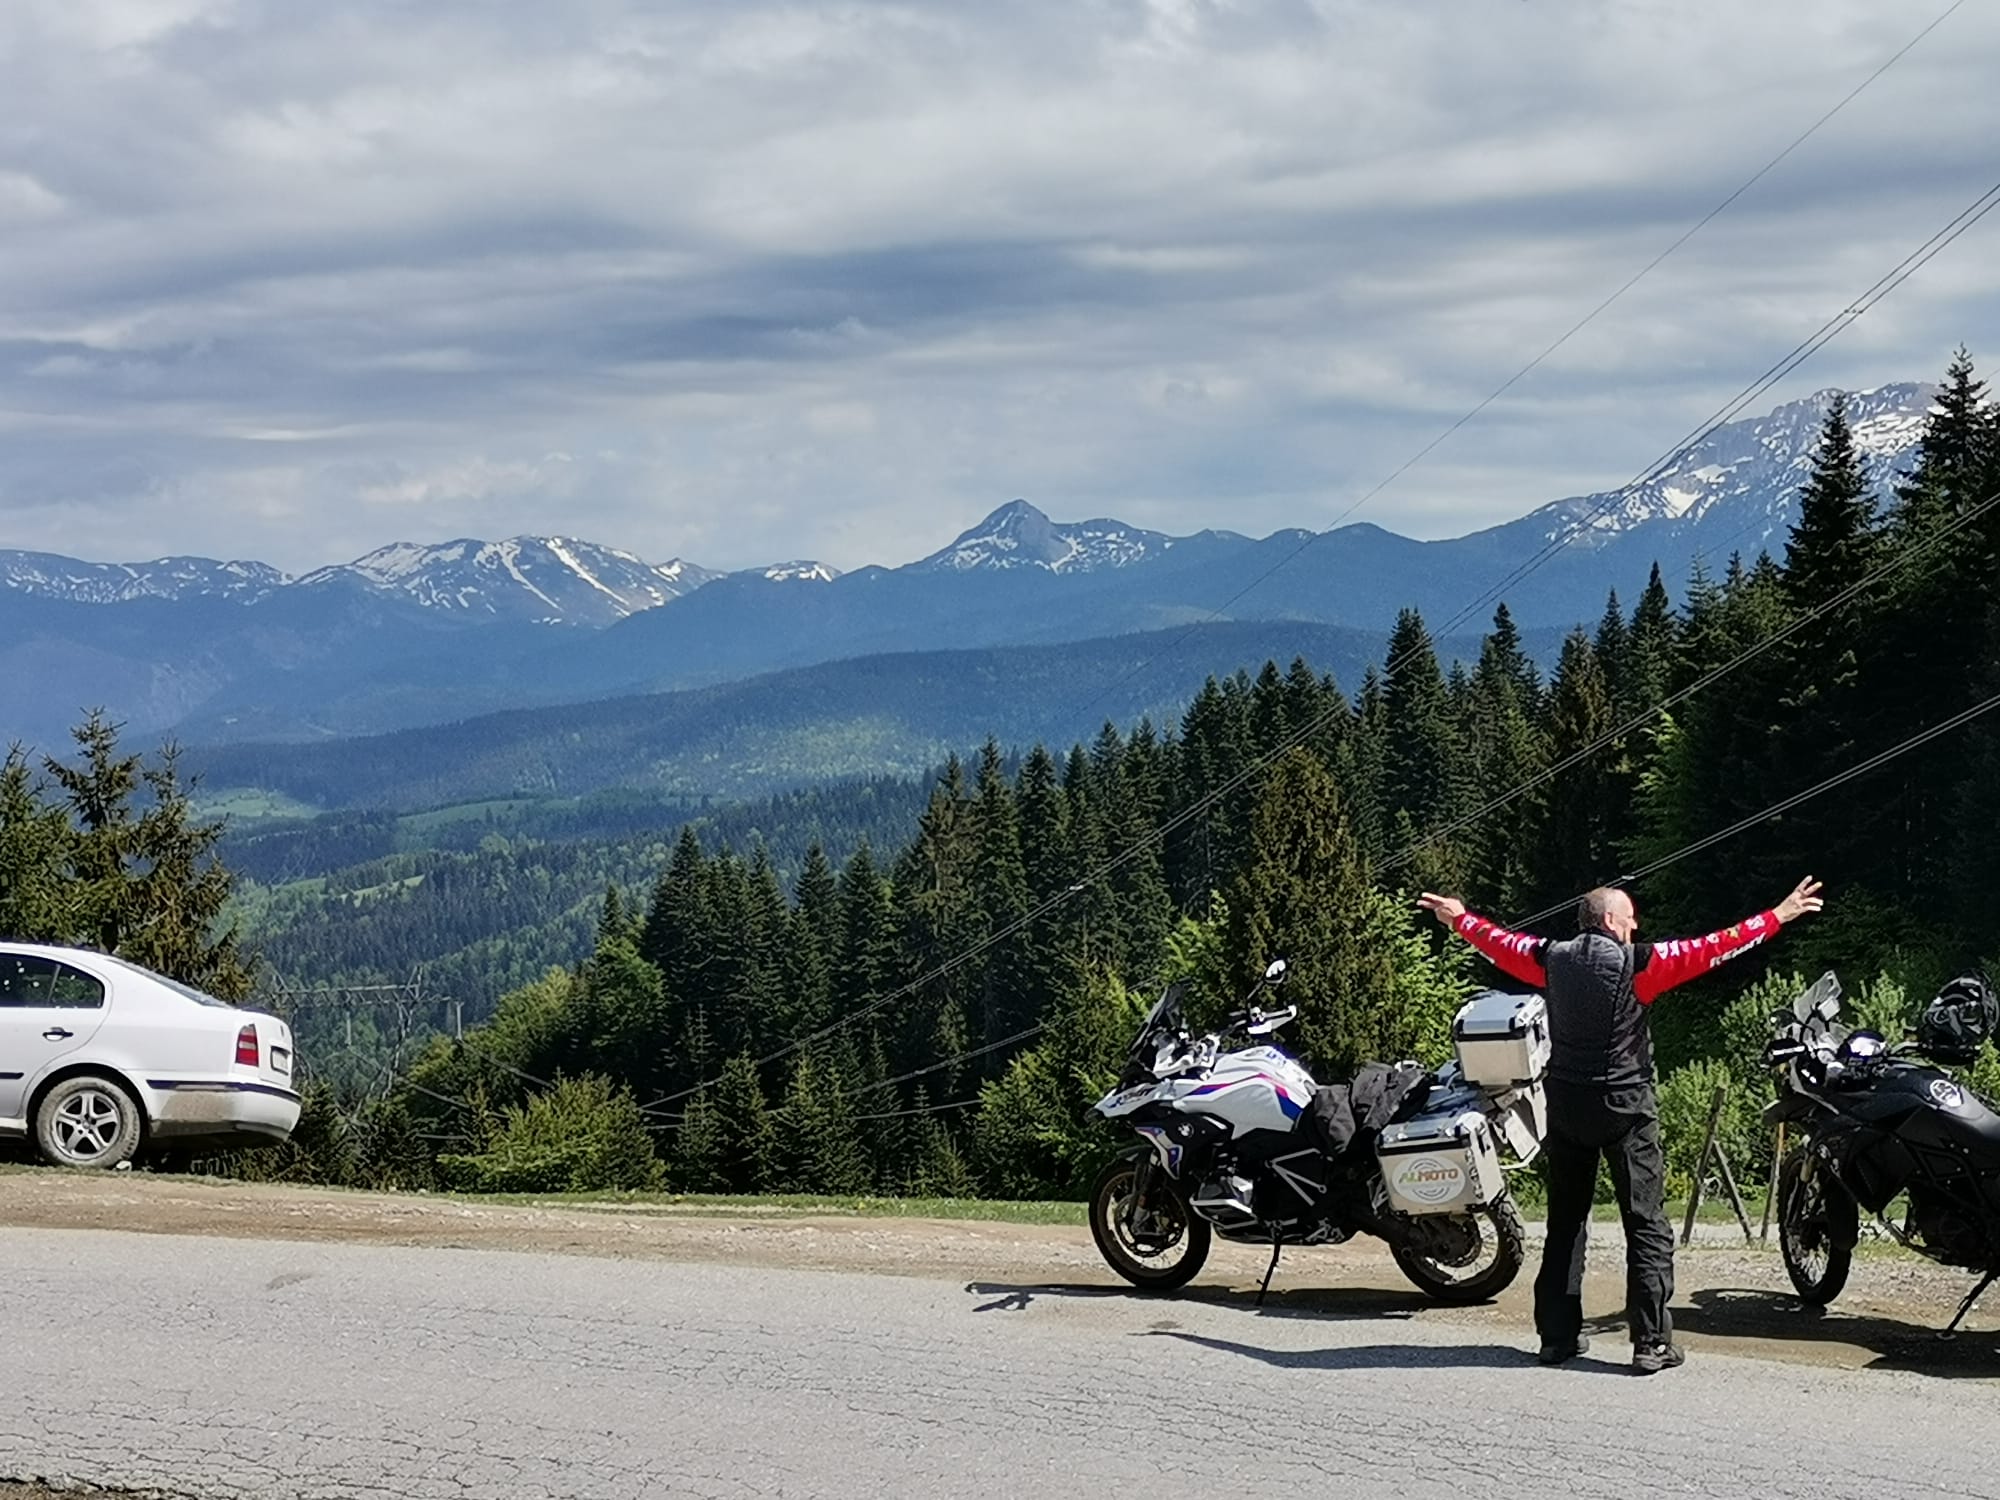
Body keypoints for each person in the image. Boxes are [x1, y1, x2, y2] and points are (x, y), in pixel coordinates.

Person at [1417, 877, 1824, 1374]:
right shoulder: (1641, 964)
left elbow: (1500, 944)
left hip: (1565, 1106)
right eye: (1630, 919)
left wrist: (1460, 918)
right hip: (1626, 1107)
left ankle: (1556, 1338)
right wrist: (1777, 916)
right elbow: (1716, 947)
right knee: (1646, 1223)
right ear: (1610, 920)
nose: (1636, 927)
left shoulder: (1548, 956)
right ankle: (1651, 1342)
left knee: (1567, 1223)